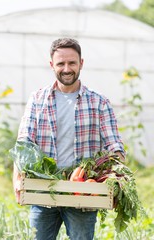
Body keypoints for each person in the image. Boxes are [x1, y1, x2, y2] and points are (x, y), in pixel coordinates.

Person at [13, 38, 125, 240]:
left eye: (72, 63)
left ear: (81, 63)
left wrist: (117, 177)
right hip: (43, 192)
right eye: (60, 63)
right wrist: (16, 179)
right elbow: (24, 143)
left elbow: (114, 146)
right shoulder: (37, 99)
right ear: (51, 65)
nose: (66, 68)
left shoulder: (99, 102)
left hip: (82, 193)